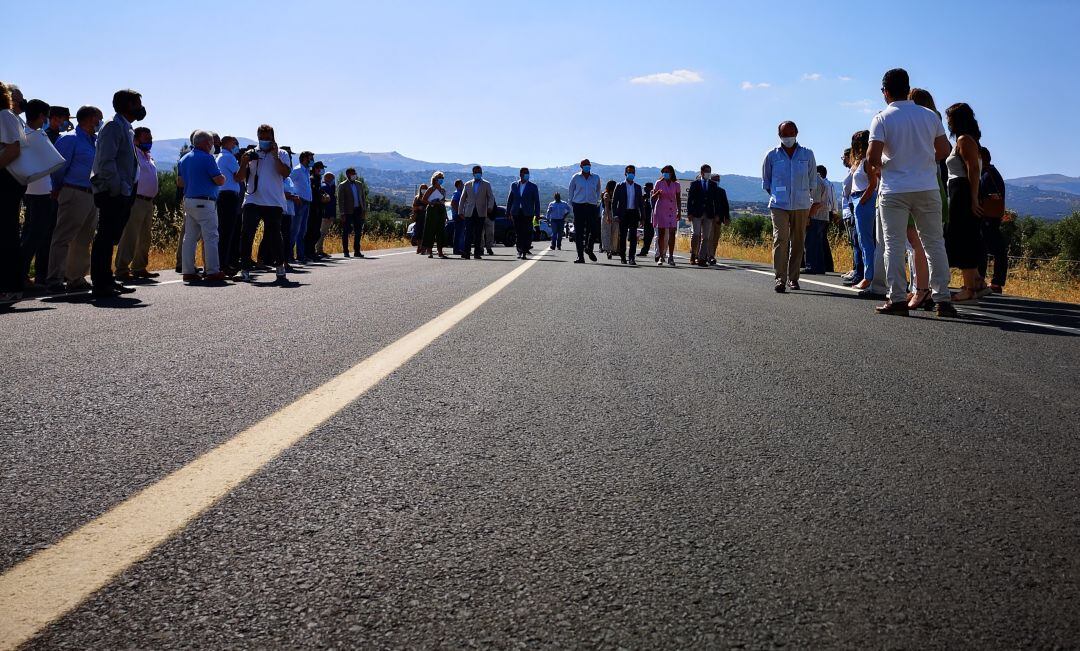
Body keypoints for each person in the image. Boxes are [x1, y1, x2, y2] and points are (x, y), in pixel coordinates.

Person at [866, 68, 956, 317]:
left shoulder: (882, 118)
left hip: (895, 189)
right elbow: (943, 150)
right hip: (927, 186)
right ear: (908, 89)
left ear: (885, 92)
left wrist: (887, 163)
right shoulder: (928, 116)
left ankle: (896, 298)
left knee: (893, 244)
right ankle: (943, 299)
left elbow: (873, 157)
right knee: (934, 243)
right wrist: (923, 161)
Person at [89, 89, 144, 298]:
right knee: (104, 237)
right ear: (128, 105)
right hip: (113, 191)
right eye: (137, 104)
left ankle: (108, 279)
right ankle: (100, 283)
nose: (141, 108)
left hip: (123, 191)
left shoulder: (126, 128)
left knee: (111, 237)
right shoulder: (113, 126)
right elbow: (106, 161)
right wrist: (118, 188)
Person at [47, 105, 103, 294]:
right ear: (88, 119)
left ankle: (75, 278)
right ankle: (54, 278)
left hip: (91, 194)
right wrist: (57, 188)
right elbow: (58, 168)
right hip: (73, 191)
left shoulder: (94, 141)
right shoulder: (69, 139)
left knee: (84, 238)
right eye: (98, 118)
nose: (100, 122)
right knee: (63, 236)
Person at [762, 121, 817, 292]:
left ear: (797, 133)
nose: (788, 137)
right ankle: (780, 278)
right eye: (784, 134)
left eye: (791, 133)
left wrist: (807, 199)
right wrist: (778, 195)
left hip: (800, 204)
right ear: (779, 136)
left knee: (798, 241)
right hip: (779, 204)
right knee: (781, 239)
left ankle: (794, 278)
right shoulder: (772, 155)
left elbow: (812, 180)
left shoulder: (807, 154)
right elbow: (767, 182)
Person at [943, 102, 988, 303]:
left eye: (950, 119)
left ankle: (970, 288)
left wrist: (972, 197)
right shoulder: (968, 140)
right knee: (967, 236)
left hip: (962, 191)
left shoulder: (964, 140)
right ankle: (977, 282)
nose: (948, 123)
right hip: (961, 190)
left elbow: (973, 169)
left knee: (961, 237)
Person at [237, 124, 292, 283]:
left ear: (273, 138)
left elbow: (285, 174)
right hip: (252, 200)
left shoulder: (282, 153)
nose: (264, 141)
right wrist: (243, 163)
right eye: (262, 138)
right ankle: (245, 268)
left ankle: (280, 267)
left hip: (274, 202)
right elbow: (239, 178)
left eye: (267, 138)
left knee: (275, 236)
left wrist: (275, 156)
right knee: (246, 234)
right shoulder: (251, 154)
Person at [177, 130, 226, 283]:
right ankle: (212, 271)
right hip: (205, 201)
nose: (213, 146)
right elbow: (219, 180)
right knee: (211, 236)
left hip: (189, 200)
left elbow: (180, 182)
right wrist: (222, 178)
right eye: (211, 142)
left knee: (190, 237)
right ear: (206, 143)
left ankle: (188, 271)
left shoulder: (183, 159)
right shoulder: (208, 158)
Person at [18, 99, 55, 293]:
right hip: (37, 192)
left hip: (38, 190)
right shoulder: (34, 135)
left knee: (34, 235)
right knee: (33, 236)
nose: (46, 120)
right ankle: (21, 276)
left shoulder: (30, 134)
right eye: (46, 116)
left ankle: (24, 276)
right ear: (41, 116)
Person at [114, 126, 159, 282]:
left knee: (145, 237)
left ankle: (139, 268)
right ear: (136, 139)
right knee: (130, 235)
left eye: (151, 138)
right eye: (146, 138)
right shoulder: (133, 154)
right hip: (136, 200)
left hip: (148, 201)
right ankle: (122, 269)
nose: (150, 141)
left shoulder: (148, 156)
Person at [0, 81, 27, 303]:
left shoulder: (4, 115)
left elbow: (13, 149)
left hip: (6, 179)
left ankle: (11, 286)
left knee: (7, 233)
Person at [848, 131, 878, 291]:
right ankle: (869, 275)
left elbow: (873, 183)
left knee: (866, 241)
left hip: (863, 199)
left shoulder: (867, 161)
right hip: (858, 199)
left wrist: (862, 202)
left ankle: (869, 277)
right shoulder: (860, 162)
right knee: (862, 240)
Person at [978, 146, 1008, 293]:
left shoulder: (987, 175)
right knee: (992, 248)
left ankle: (992, 281)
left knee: (989, 248)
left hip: (988, 218)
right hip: (992, 217)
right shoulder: (991, 174)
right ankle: (991, 281)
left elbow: (987, 196)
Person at [212, 135, 243, 275]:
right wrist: (245, 164)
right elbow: (239, 177)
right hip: (229, 196)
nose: (236, 145)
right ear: (229, 143)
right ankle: (223, 264)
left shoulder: (221, 156)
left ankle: (222, 262)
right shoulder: (229, 157)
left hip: (222, 196)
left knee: (224, 230)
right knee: (227, 232)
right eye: (235, 143)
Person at [686, 164, 725, 267]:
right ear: (702, 172)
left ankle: (702, 258)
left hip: (709, 214)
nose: (708, 173)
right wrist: (689, 213)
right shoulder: (695, 184)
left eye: (710, 171)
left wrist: (717, 214)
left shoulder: (713, 185)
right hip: (696, 213)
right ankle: (693, 255)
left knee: (706, 237)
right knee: (696, 235)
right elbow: (690, 199)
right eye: (707, 171)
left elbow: (716, 201)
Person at [568, 159, 602, 263]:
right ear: (581, 166)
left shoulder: (596, 177)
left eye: (589, 165)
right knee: (578, 232)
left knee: (593, 230)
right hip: (579, 206)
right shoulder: (576, 177)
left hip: (591, 206)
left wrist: (595, 201)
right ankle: (580, 256)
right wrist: (572, 205)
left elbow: (598, 190)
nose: (587, 166)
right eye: (585, 165)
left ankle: (589, 248)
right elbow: (571, 191)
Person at [459, 165, 495, 260]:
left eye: (479, 172)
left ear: (482, 173)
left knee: (479, 234)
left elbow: (491, 197)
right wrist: (460, 211)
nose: (478, 173)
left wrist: (490, 207)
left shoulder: (486, 184)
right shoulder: (467, 184)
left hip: (481, 212)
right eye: (476, 172)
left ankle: (477, 253)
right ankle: (466, 253)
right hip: (469, 212)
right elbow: (462, 199)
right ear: (473, 173)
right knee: (468, 233)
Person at [611, 165, 644, 265]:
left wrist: (643, 217)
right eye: (629, 172)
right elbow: (614, 201)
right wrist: (615, 215)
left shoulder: (638, 187)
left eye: (633, 172)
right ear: (625, 173)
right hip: (623, 213)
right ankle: (622, 256)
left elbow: (641, 204)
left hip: (633, 213)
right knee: (623, 236)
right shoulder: (620, 186)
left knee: (633, 236)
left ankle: (631, 258)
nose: (631, 174)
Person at [506, 167, 541, 260]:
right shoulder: (514, 185)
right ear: (520, 174)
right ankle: (520, 251)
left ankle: (525, 250)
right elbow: (510, 199)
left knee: (527, 232)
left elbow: (537, 201)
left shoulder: (533, 186)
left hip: (528, 213)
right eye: (525, 173)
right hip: (517, 212)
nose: (527, 175)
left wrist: (537, 214)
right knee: (518, 232)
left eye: (528, 173)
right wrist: (508, 211)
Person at [804, 165, 833, 274]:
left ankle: (811, 266)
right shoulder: (820, 181)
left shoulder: (815, 181)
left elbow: (816, 202)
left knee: (810, 242)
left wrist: (808, 217)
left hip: (816, 216)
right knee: (818, 243)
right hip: (822, 216)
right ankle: (820, 267)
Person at [839, 148, 862, 286]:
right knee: (854, 242)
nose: (843, 160)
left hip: (853, 208)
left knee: (857, 242)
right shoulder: (851, 171)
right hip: (849, 209)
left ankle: (859, 272)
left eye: (844, 157)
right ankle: (856, 269)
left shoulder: (856, 169)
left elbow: (847, 189)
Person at [650, 164, 681, 267]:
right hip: (661, 209)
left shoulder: (676, 184)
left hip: (672, 210)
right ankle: (661, 256)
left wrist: (679, 211)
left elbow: (678, 198)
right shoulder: (659, 183)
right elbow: (653, 198)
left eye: (668, 172)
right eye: (664, 172)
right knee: (661, 233)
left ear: (672, 173)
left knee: (672, 233)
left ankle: (671, 256)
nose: (666, 174)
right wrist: (657, 193)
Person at [288, 150, 314, 263]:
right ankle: (289, 255)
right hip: (299, 202)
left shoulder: (306, 171)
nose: (312, 160)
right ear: (304, 158)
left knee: (302, 230)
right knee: (295, 230)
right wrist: (294, 195)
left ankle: (300, 255)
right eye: (310, 158)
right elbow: (288, 181)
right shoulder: (297, 170)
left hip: (306, 202)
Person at [420, 171, 450, 258]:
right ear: (435, 179)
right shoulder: (431, 189)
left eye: (442, 178)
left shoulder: (443, 190)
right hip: (432, 210)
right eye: (439, 178)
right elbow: (424, 199)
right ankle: (429, 251)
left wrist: (442, 203)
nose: (441, 179)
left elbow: (443, 201)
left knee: (440, 231)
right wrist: (431, 202)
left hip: (441, 210)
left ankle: (440, 252)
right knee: (430, 230)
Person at [338, 168, 367, 258]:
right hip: (347, 212)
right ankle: (346, 251)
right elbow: (341, 200)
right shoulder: (342, 185)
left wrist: (364, 210)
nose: (355, 175)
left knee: (358, 231)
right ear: (348, 175)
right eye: (353, 174)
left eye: (355, 173)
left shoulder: (359, 184)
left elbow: (362, 197)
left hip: (358, 210)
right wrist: (342, 213)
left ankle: (357, 251)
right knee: (346, 232)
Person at [705, 174, 732, 265]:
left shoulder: (721, 191)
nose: (717, 181)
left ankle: (712, 254)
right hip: (709, 218)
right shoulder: (707, 191)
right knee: (710, 236)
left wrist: (726, 217)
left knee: (715, 238)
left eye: (718, 179)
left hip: (718, 219)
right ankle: (710, 256)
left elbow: (725, 205)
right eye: (715, 179)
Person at [315, 171, 335, 258]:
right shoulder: (325, 187)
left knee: (323, 233)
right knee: (322, 233)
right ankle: (318, 250)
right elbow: (326, 202)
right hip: (325, 215)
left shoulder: (326, 187)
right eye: (333, 179)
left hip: (326, 214)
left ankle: (319, 250)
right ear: (329, 178)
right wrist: (328, 215)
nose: (334, 181)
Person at [601, 179, 618, 258]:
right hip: (608, 213)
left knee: (613, 232)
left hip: (613, 213)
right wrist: (608, 216)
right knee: (608, 232)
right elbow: (607, 206)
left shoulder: (615, 195)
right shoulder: (606, 194)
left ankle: (611, 249)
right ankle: (609, 250)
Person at [638, 181, 654, 257]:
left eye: (646, 188)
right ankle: (644, 250)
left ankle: (645, 250)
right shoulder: (644, 197)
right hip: (646, 219)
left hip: (653, 219)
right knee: (646, 236)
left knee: (649, 235)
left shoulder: (653, 196)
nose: (645, 190)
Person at [450, 179, 465, 255]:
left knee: (461, 233)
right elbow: (453, 203)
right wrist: (460, 213)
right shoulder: (457, 193)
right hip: (458, 216)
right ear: (458, 185)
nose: (463, 185)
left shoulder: (460, 193)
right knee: (459, 233)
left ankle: (461, 249)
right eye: (462, 184)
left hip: (459, 215)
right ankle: (457, 249)